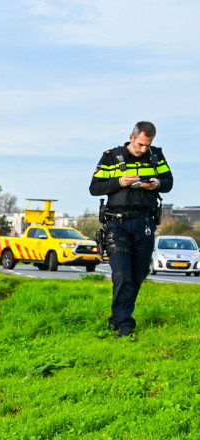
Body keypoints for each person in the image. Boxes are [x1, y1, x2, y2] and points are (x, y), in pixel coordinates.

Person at [90, 121, 173, 338]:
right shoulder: (110, 156)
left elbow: (169, 182)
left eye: (148, 145)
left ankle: (116, 318)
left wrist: (157, 184)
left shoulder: (156, 156)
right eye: (141, 144)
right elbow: (94, 188)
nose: (144, 149)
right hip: (117, 224)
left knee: (138, 274)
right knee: (121, 274)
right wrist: (119, 182)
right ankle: (125, 325)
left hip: (145, 223)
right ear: (132, 137)